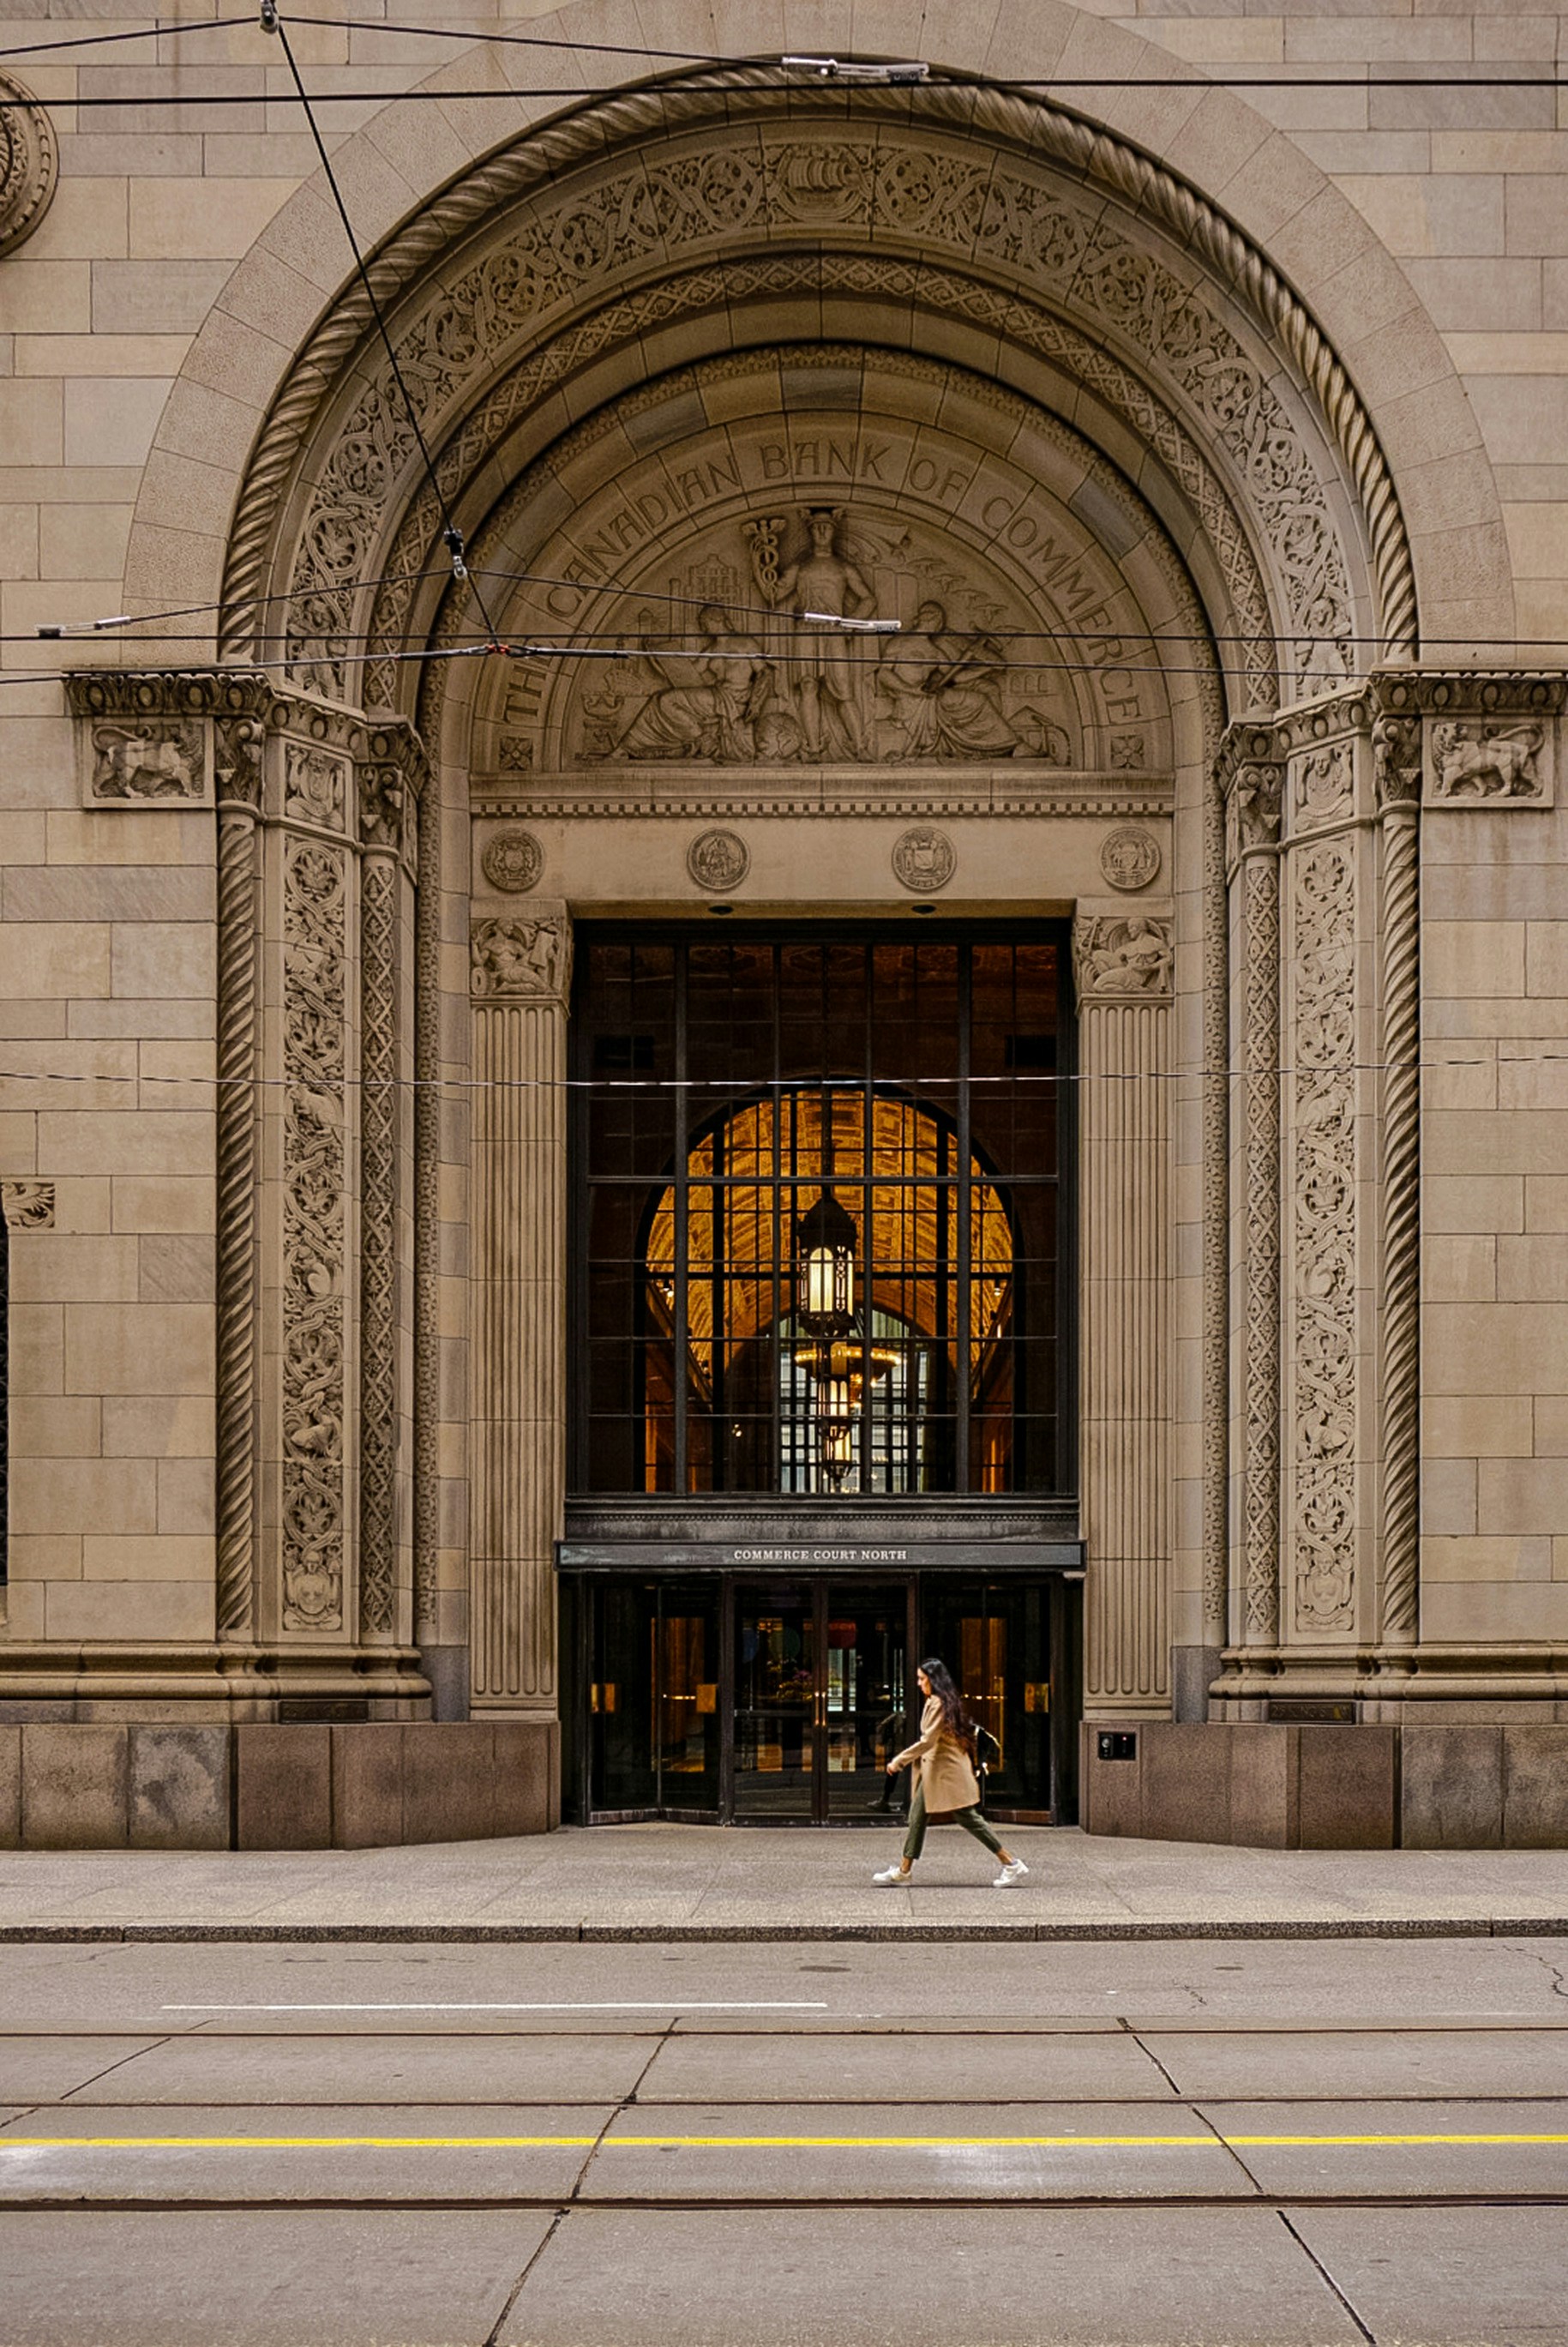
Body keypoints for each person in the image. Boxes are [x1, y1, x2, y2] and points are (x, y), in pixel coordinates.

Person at [874, 1658, 1029, 1887]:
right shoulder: (936, 1701)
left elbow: (928, 1741)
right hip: (937, 1773)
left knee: (969, 1818)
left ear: (933, 1680)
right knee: (917, 1818)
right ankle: (904, 1870)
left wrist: (899, 1761)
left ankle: (1011, 1863)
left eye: (921, 1679)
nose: (918, 1683)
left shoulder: (938, 1703)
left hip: (949, 1774)